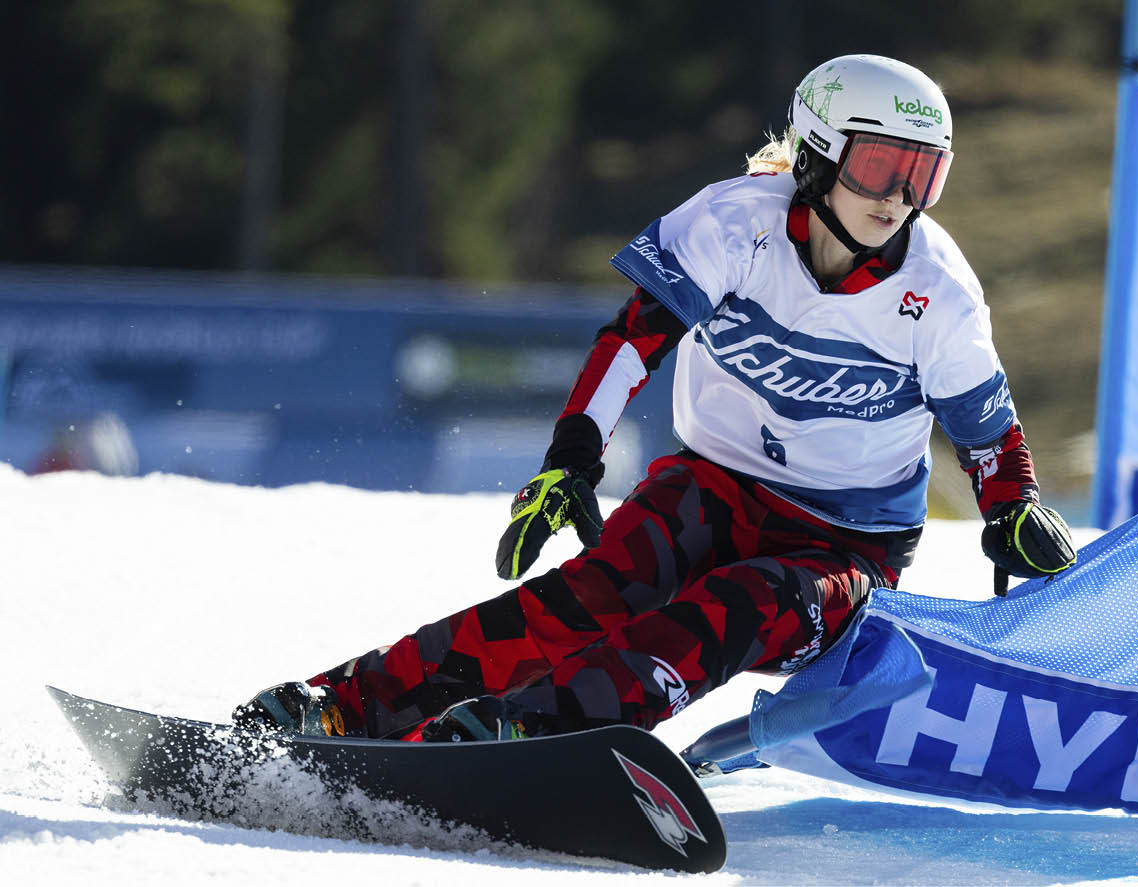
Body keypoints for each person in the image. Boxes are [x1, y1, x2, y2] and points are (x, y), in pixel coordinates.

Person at [234, 54, 1077, 743]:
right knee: (592, 594)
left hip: (848, 548)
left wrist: (1013, 508)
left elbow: (986, 427)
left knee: (739, 606)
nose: (900, 197)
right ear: (819, 156)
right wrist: (572, 458)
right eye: (881, 166)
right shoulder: (733, 223)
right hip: (713, 489)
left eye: (924, 175)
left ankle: (526, 734)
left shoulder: (939, 291)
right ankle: (343, 706)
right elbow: (636, 336)